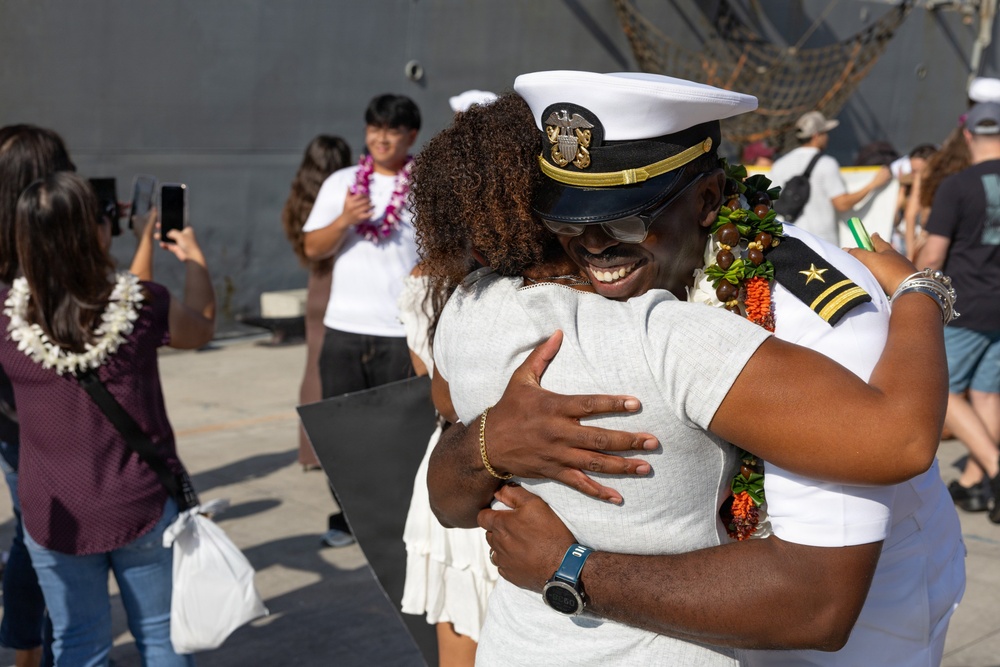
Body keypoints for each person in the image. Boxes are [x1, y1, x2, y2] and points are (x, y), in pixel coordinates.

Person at [423, 73, 963, 665]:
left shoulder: (809, 315)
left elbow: (821, 603)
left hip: (856, 628)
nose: (594, 247)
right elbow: (448, 498)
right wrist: (486, 442)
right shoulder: (569, 298)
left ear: (706, 200)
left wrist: (571, 569)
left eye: (625, 219)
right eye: (570, 222)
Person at [1, 171, 215, 666]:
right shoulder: (141, 308)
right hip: (140, 505)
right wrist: (194, 257)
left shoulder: (8, 321)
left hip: (55, 515)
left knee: (78, 644)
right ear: (95, 232)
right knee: (162, 638)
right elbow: (201, 328)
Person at [301, 94, 421, 548]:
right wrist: (345, 220)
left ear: (410, 136)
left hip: (400, 332)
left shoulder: (424, 185)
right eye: (374, 129)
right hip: (345, 330)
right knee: (343, 431)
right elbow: (312, 248)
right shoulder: (343, 183)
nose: (380, 138)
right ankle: (348, 514)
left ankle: (394, 517)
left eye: (391, 131)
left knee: (399, 433)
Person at [0, 124, 70, 667]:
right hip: (33, 420)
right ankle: (28, 646)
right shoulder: (36, 259)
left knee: (37, 531)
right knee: (41, 534)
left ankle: (27, 644)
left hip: (19, 420)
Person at [917, 101, 1000, 522]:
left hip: (964, 304)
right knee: (987, 394)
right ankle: (974, 483)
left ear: (968, 136)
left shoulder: (957, 185)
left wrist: (912, 290)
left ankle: (995, 468)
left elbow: (934, 253)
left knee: (943, 392)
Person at [280, 134, 352, 470]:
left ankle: (308, 452)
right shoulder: (344, 195)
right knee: (331, 370)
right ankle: (328, 448)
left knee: (312, 367)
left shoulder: (299, 198)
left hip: (315, 283)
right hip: (338, 282)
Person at [769, 110, 891, 245]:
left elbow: (771, 201)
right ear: (816, 136)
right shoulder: (826, 164)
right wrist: (873, 184)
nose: (827, 137)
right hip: (822, 242)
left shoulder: (779, 165)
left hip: (790, 239)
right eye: (825, 133)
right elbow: (842, 204)